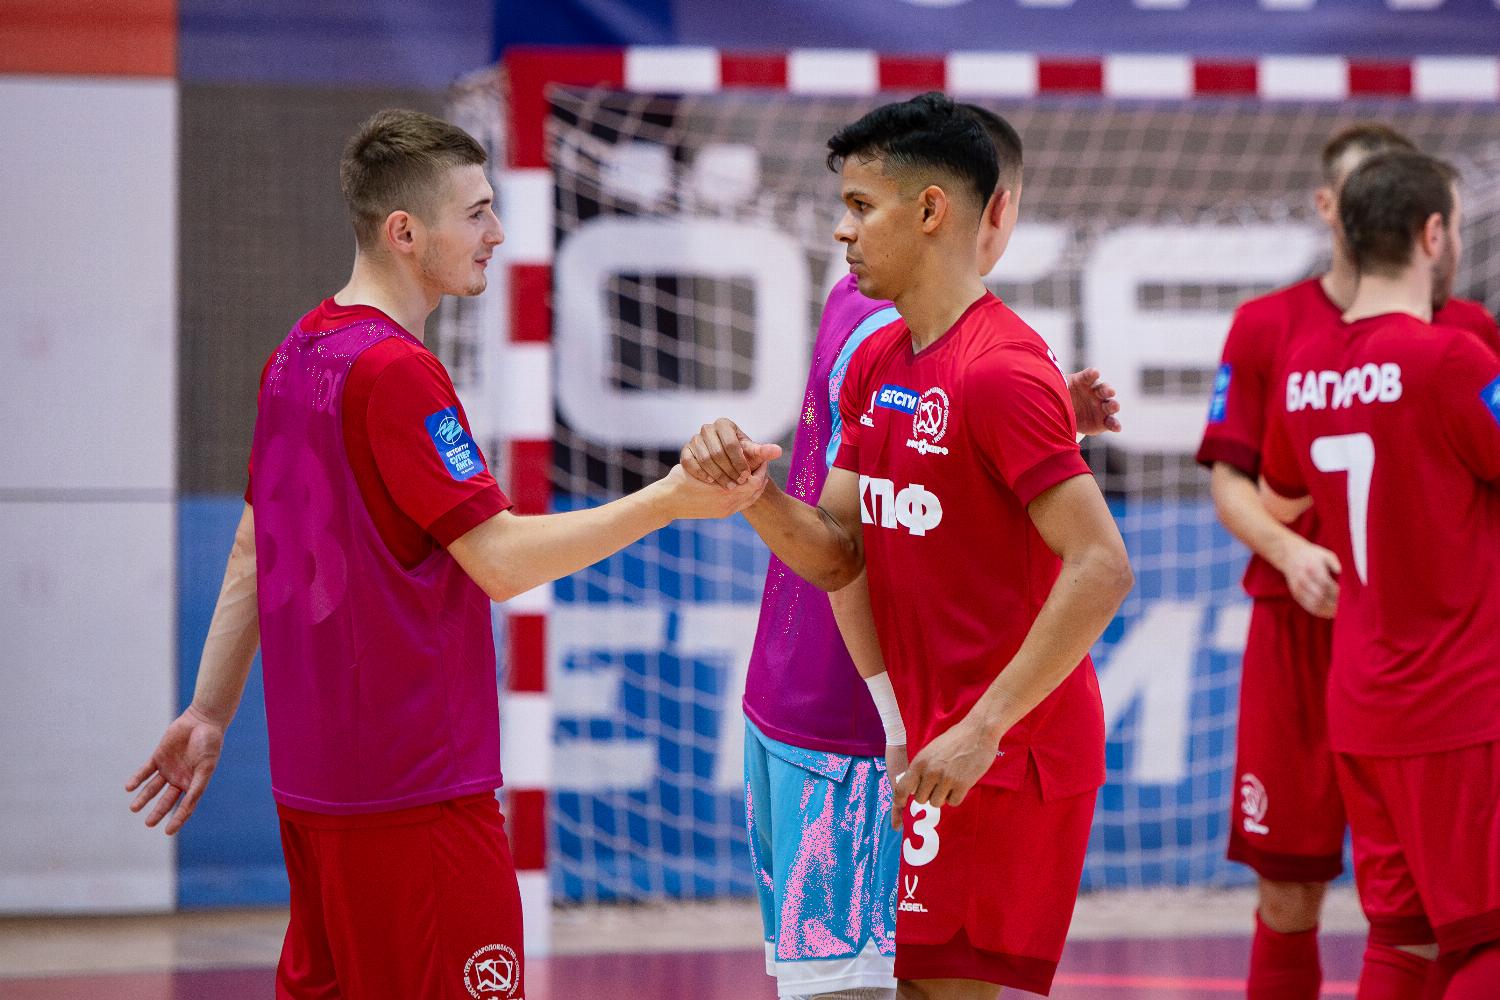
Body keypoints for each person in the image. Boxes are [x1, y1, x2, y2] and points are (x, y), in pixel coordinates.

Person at [124, 109, 766, 1000]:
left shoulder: (295, 354)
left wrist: (208, 711)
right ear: (405, 232)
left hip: (315, 792)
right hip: (416, 795)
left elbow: (249, 549)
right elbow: (499, 561)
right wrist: (671, 500)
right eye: (476, 212)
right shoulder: (396, 373)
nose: (496, 232)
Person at [686, 92, 1132, 999]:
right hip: (935, 739)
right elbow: (838, 553)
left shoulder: (1003, 371)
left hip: (1008, 751)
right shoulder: (882, 361)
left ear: (932, 210)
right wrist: (752, 495)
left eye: (860, 207)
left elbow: (1103, 567)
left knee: (936, 989)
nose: (842, 232)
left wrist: (982, 730)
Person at [1195, 123, 1499, 1000]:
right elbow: (1243, 487)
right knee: (1470, 927)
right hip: (1430, 669)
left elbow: (1280, 484)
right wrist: (1293, 551)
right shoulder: (1439, 354)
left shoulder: (1316, 366)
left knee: (1405, 932)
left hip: (1368, 672)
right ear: (1430, 232)